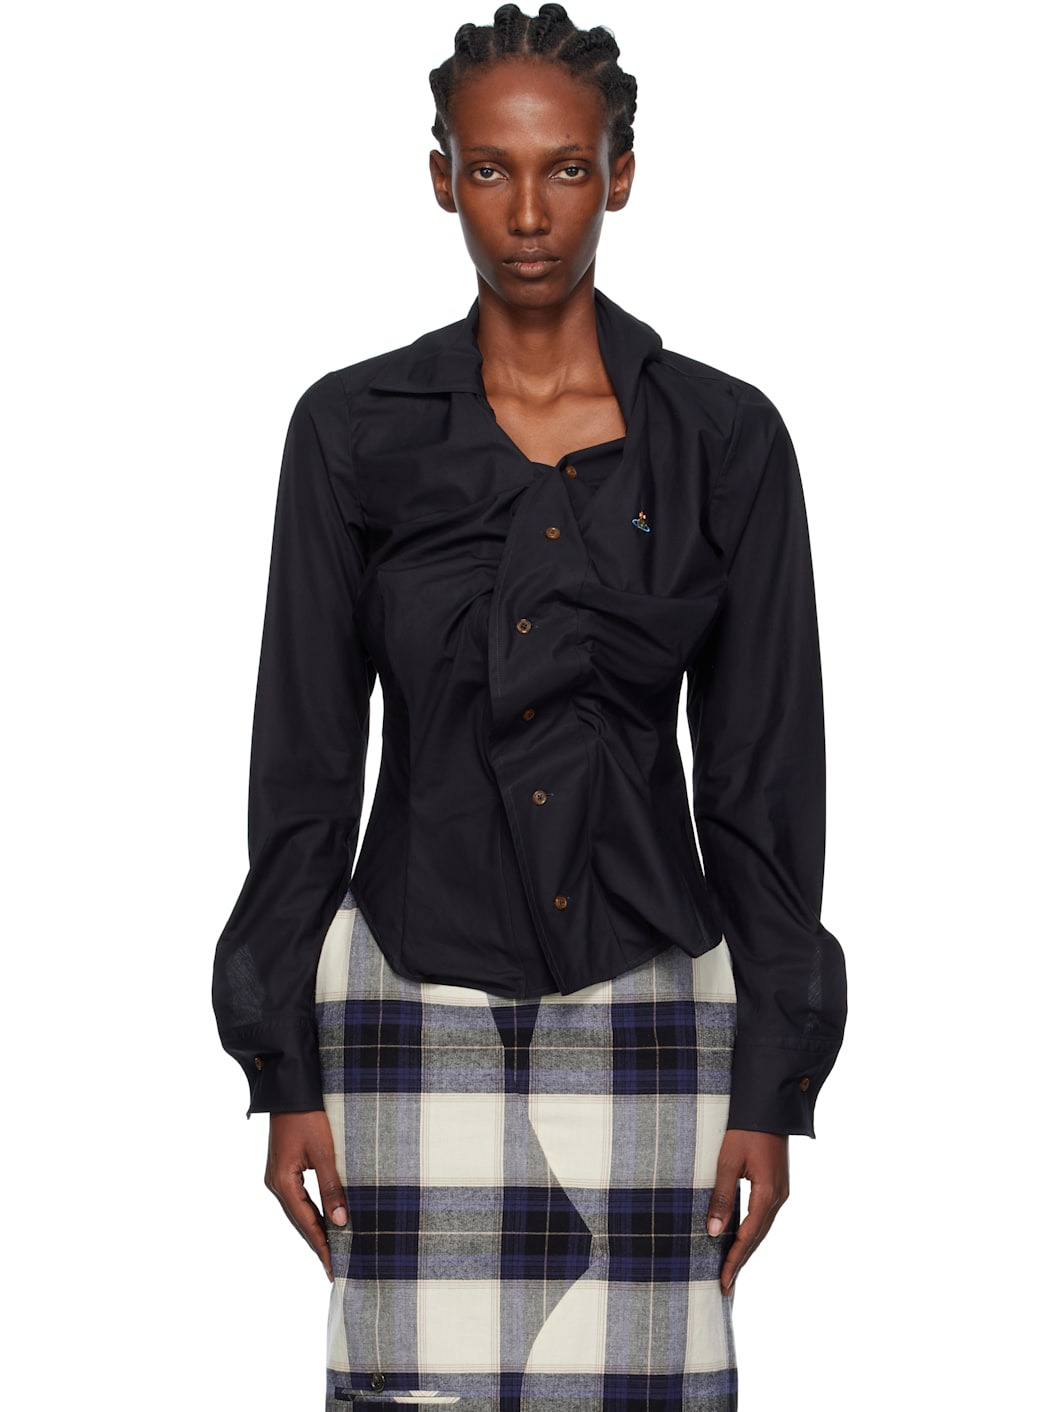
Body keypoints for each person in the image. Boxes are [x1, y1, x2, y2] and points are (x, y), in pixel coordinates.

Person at [211, 5, 847, 1408]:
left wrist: (771, 1085)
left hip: (658, 999)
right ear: (442, 176)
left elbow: (760, 783)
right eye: (491, 168)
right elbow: (304, 773)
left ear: (621, 174)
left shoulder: (726, 441)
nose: (528, 212)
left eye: (565, 168)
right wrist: (284, 1067)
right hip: (407, 994)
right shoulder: (350, 432)